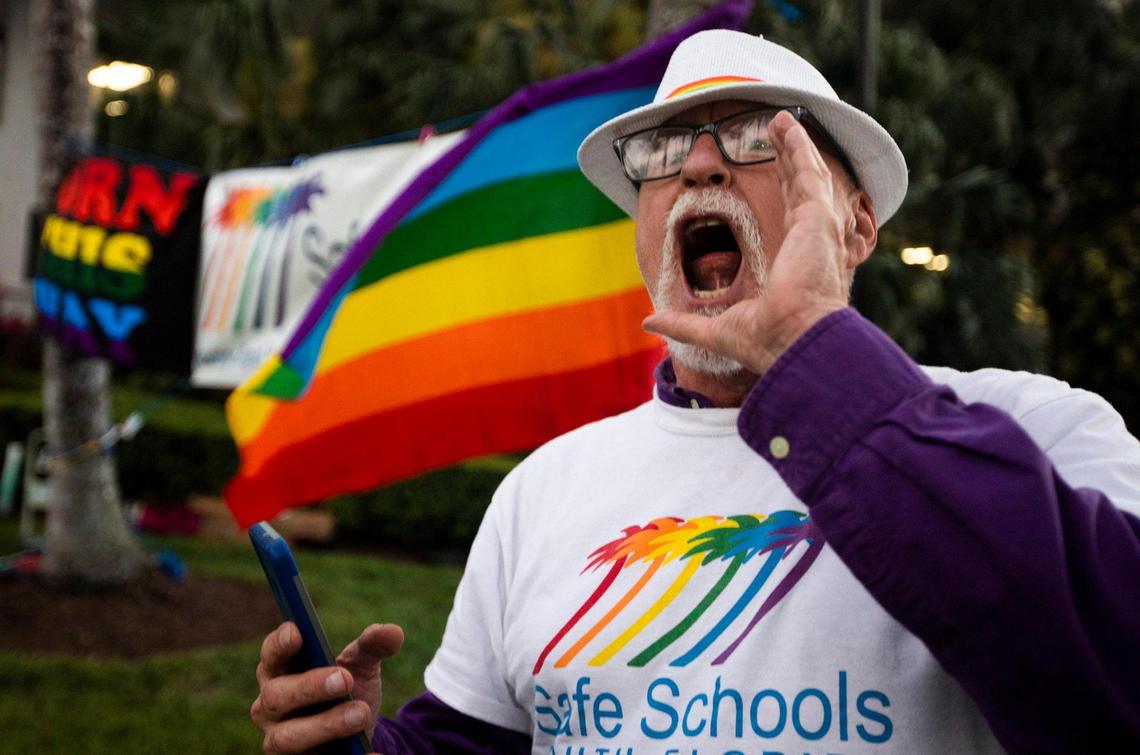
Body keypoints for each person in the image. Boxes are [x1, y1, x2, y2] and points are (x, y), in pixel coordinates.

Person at [250, 30, 1140, 754]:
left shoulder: (1040, 426)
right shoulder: (543, 487)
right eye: (665, 149)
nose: (700, 168)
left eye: (759, 138)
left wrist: (815, 353)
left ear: (857, 223)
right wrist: (361, 747)